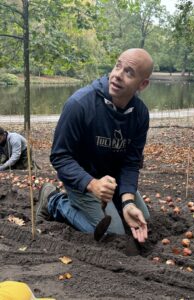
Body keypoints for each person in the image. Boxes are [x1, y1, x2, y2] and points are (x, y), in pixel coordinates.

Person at [36, 48, 154, 243]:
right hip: (82, 180)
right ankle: (54, 201)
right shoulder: (79, 104)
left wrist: (127, 202)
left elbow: (131, 162)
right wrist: (92, 184)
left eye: (129, 72)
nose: (117, 75)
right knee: (111, 234)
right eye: (118, 66)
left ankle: (117, 205)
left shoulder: (140, 114)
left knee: (143, 220)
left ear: (143, 84)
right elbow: (60, 157)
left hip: (112, 182)